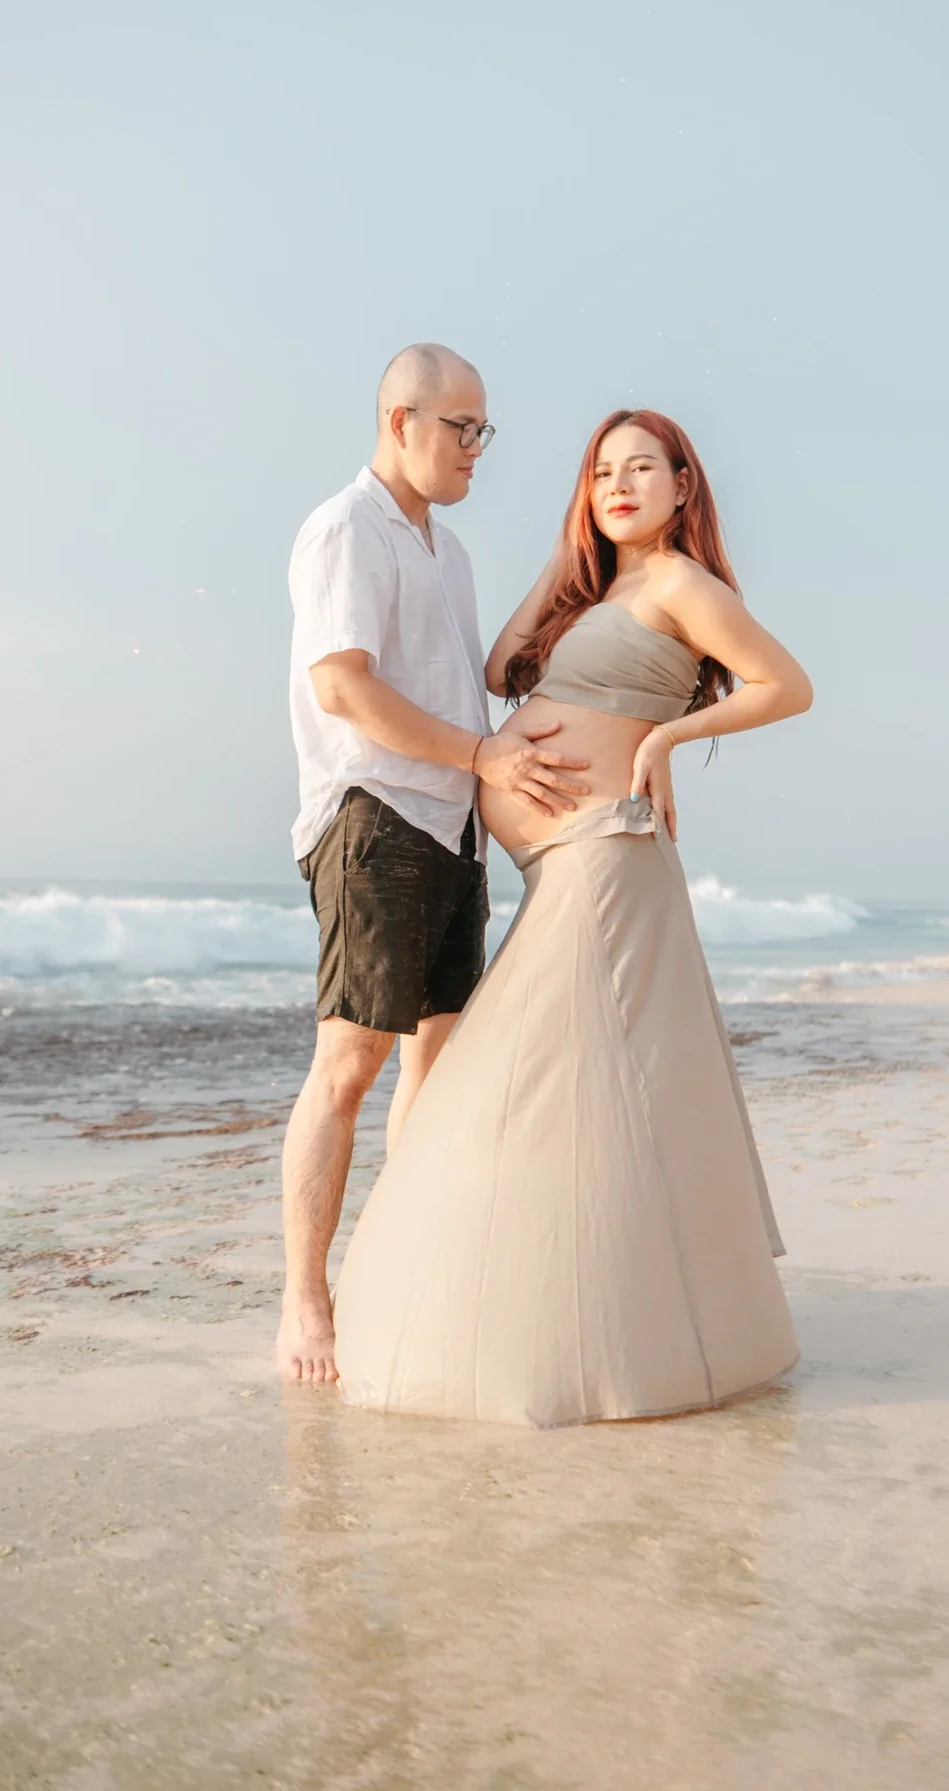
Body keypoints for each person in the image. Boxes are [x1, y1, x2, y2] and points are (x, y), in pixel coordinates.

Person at [334, 408, 814, 1426]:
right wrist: (573, 560)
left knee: (517, 1085)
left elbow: (788, 686)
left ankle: (541, 1334)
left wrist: (669, 740)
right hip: (557, 865)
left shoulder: (684, 585)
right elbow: (505, 667)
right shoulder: (603, 588)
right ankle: (587, 1317)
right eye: (602, 473)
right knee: (581, 1098)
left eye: (644, 468)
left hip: (606, 856)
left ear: (686, 485)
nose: (622, 485)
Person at [279, 343, 591, 1383]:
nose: (475, 448)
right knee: (349, 1066)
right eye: (462, 428)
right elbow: (344, 690)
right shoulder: (345, 530)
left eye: (482, 430)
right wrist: (478, 754)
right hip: (374, 818)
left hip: (454, 829)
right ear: (399, 420)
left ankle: (388, 1265)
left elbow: (483, 684)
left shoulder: (447, 553)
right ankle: (306, 1302)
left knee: (435, 1066)